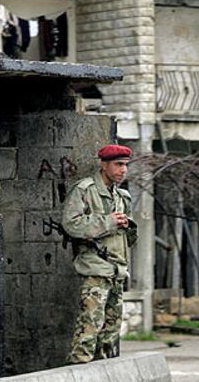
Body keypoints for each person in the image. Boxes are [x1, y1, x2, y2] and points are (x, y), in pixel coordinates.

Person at [61, 144, 138, 364]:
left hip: (117, 271)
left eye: (126, 165)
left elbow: (128, 238)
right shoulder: (85, 190)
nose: (124, 170)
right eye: (118, 165)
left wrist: (126, 225)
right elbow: (70, 224)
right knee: (88, 331)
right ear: (104, 165)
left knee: (110, 336)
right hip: (95, 270)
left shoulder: (122, 197)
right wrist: (108, 221)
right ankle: (77, 373)